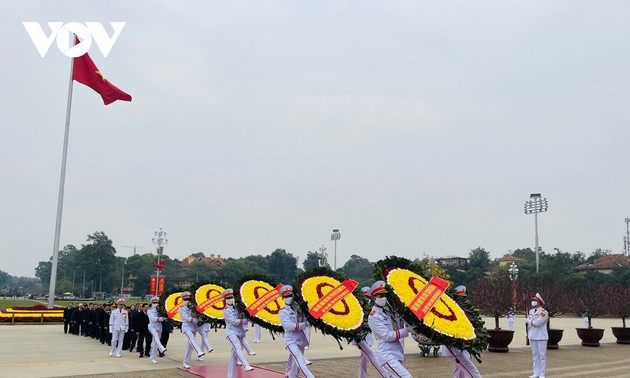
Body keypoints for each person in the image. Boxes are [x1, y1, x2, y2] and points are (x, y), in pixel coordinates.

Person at [367, 280, 412, 378]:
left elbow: (400, 323)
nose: (383, 298)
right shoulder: (373, 316)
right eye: (380, 296)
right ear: (373, 298)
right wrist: (407, 330)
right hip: (387, 354)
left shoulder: (390, 312)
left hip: (397, 352)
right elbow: (387, 336)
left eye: (384, 295)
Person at [441, 285, 482, 378]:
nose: (464, 301)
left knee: (460, 374)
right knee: (473, 372)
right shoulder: (451, 311)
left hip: (462, 349)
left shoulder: (463, 312)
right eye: (460, 298)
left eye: (464, 298)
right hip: (454, 348)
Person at [278, 284, 314, 378]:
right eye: (286, 296)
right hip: (291, 340)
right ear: (283, 298)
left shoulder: (297, 310)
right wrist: (303, 325)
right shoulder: (282, 312)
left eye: (290, 295)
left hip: (300, 339)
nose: (289, 298)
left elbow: (305, 321)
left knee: (295, 367)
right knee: (300, 361)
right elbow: (289, 326)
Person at [354, 286, 390, 378]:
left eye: (368, 296)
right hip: (358, 335)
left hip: (366, 335)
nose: (366, 299)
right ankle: (386, 375)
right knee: (371, 353)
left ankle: (362, 376)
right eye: (365, 296)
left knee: (364, 359)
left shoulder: (370, 306)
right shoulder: (356, 306)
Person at [223, 288, 254, 376]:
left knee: (233, 356)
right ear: (225, 300)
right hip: (231, 332)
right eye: (228, 298)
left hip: (240, 332)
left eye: (231, 297)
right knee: (238, 348)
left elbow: (243, 314)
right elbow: (234, 322)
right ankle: (246, 365)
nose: (230, 300)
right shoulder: (226, 311)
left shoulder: (237, 308)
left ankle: (230, 376)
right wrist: (246, 320)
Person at [178, 291, 205, 369]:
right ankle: (199, 351)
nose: (187, 301)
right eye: (185, 299)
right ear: (182, 300)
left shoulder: (193, 308)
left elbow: (197, 314)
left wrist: (200, 318)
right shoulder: (181, 309)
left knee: (190, 346)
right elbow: (186, 318)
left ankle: (185, 362)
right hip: (186, 327)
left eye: (188, 299)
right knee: (192, 339)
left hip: (193, 327)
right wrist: (196, 320)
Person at [527, 293, 549, 378]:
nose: (533, 302)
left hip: (541, 336)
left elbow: (538, 323)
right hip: (533, 335)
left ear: (539, 302)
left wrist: (530, 322)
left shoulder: (543, 312)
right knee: (535, 355)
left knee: (542, 356)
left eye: (535, 300)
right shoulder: (531, 311)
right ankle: (536, 372)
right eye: (533, 300)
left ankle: (542, 374)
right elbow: (530, 325)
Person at [147, 296, 168, 364]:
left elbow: (165, 315)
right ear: (151, 303)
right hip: (152, 326)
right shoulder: (149, 310)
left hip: (159, 327)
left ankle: (153, 358)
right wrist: (161, 318)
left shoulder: (160, 310)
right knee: (156, 337)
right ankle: (161, 347)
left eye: (157, 302)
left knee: (156, 343)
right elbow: (152, 318)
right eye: (154, 302)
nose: (156, 303)